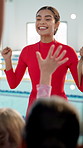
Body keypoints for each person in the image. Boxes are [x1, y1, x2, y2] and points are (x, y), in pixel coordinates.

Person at [1, 6, 83, 117]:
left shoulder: (67, 51)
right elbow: (13, 84)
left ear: (57, 24)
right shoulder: (27, 51)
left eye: (48, 19)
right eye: (38, 19)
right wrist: (7, 60)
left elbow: (81, 87)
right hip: (34, 107)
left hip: (59, 108)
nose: (42, 22)